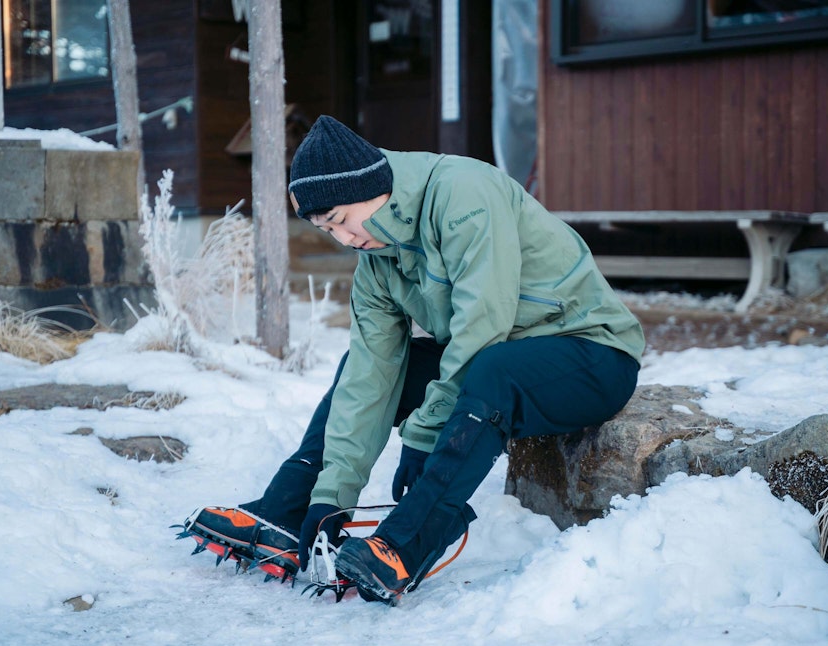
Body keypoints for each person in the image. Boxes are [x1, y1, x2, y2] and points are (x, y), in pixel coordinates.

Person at [179, 115, 645, 605]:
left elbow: (483, 329)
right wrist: (331, 494)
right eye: (326, 230)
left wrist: (424, 436)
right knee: (364, 370)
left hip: (591, 354)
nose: (344, 239)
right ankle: (288, 511)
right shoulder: (377, 259)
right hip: (505, 352)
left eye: (340, 220)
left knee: (493, 368)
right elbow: (369, 377)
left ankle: (405, 544)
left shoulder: (463, 196)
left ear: (370, 187)